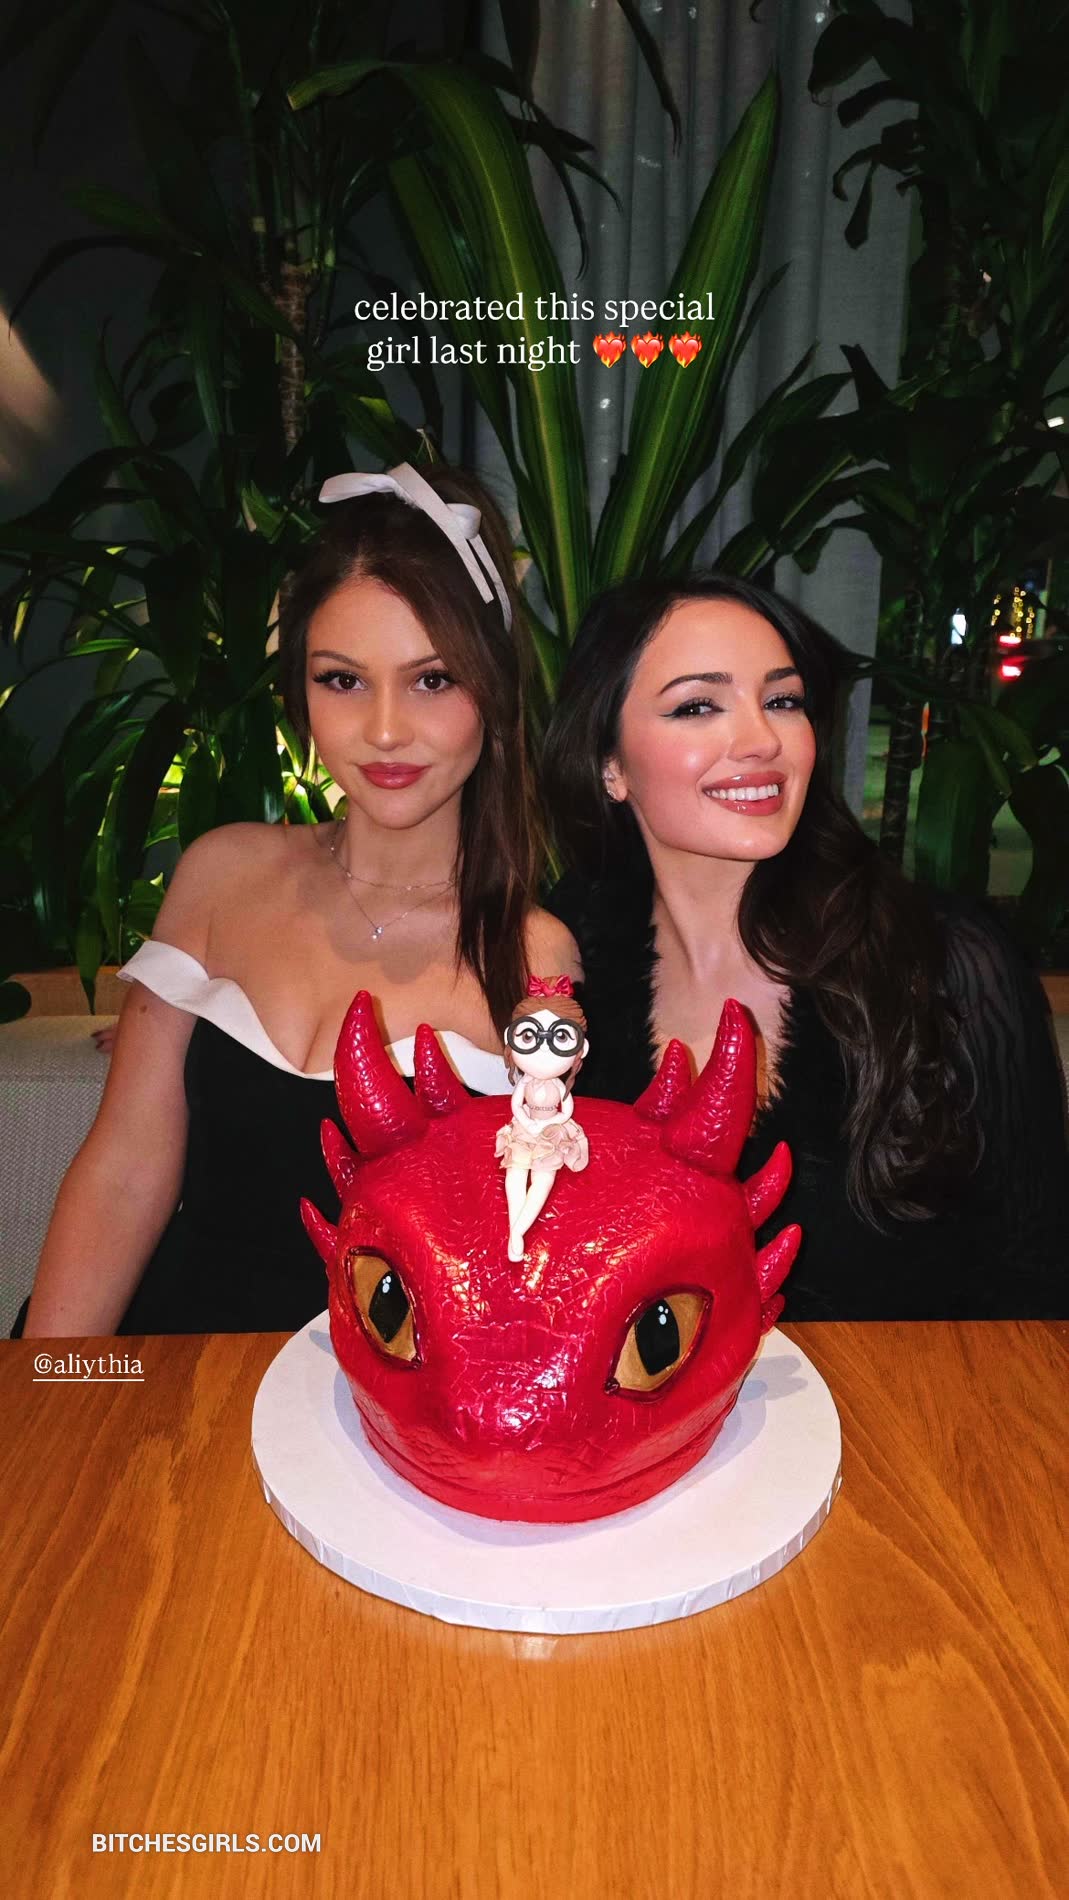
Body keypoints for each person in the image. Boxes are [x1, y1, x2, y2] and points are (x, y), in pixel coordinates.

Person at [19, 461, 579, 1337]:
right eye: (342, 679)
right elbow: (125, 1169)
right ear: (299, 690)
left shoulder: (536, 956)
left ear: (494, 689)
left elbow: (528, 1257)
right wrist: (56, 1382)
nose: (384, 729)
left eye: (432, 679)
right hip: (162, 1361)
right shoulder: (222, 873)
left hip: (371, 1402)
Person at [542, 572, 1069, 1319]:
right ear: (609, 766)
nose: (761, 740)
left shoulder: (942, 964)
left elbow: (1037, 1287)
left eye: (782, 701)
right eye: (697, 706)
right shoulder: (564, 967)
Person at [495, 975, 590, 1260]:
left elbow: (567, 1109)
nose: (543, 1048)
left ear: (582, 1048)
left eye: (560, 1037)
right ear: (510, 1038)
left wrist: (549, 1124)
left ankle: (518, 1231)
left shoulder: (559, 1087)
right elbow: (516, 1105)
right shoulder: (525, 1083)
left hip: (550, 1131)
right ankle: (514, 1229)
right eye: (529, 1036)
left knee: (543, 1178)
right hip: (525, 1128)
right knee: (515, 1173)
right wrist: (527, 1122)